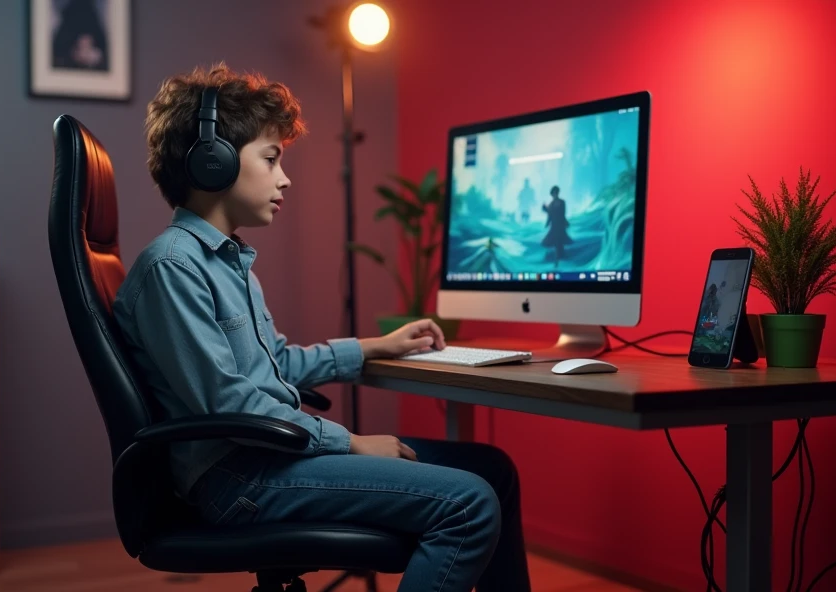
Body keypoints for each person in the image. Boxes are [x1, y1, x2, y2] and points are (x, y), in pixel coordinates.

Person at [112, 63, 532, 592]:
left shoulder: (226, 261)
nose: (284, 177)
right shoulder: (174, 266)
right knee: (468, 506)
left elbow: (276, 366)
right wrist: (350, 442)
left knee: (493, 470)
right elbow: (228, 405)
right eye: (271, 158)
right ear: (211, 163)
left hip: (267, 458)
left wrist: (375, 346)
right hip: (240, 478)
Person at [541, 185, 571, 267]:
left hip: (560, 225)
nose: (555, 194)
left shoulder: (562, 202)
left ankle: (558, 260)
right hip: (554, 225)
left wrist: (565, 222)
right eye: (553, 193)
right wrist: (545, 210)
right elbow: (550, 214)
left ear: (557, 193)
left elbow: (562, 213)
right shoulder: (551, 203)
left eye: (556, 192)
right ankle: (557, 260)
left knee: (559, 242)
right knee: (555, 242)